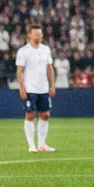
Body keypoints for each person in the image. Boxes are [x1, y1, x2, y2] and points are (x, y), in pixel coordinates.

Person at [15, 25, 57, 153]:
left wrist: (52, 85)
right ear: (30, 35)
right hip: (30, 88)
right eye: (36, 34)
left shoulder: (46, 49)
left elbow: (49, 68)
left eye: (40, 33)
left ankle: (42, 144)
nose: (38, 36)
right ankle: (31, 145)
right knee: (30, 114)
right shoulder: (23, 51)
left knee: (45, 115)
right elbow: (19, 71)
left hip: (43, 88)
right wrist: (21, 88)